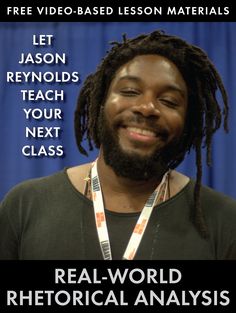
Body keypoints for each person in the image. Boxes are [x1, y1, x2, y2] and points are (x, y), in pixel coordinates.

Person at [0, 30, 236, 260]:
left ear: (188, 122)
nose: (146, 108)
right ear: (100, 102)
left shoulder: (225, 220)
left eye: (168, 101)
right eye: (130, 91)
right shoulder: (25, 204)